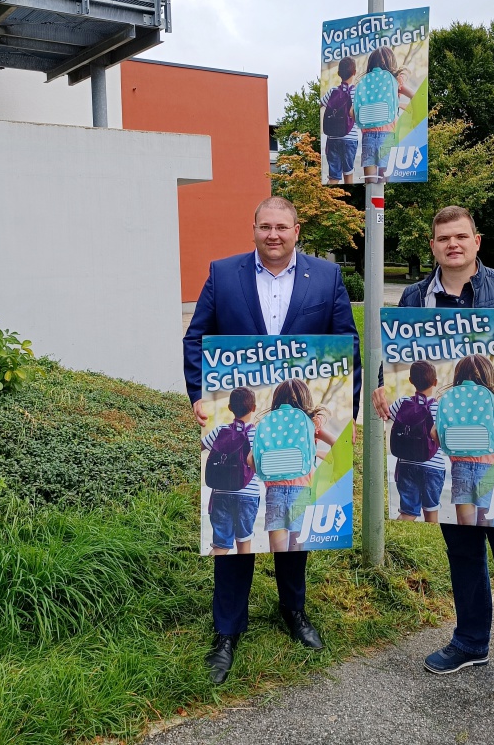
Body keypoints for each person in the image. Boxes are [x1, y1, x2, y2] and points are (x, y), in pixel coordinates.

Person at [371, 205, 494, 712]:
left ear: (476, 241)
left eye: (460, 237)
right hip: (450, 459)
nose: (452, 245)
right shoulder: (415, 297)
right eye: (442, 239)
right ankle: (471, 643)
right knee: (462, 553)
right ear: (432, 246)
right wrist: (381, 388)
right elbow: (395, 359)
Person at [184, 195, 362, 685]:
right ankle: (227, 631)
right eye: (265, 227)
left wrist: (346, 404)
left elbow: (346, 345)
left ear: (297, 230)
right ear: (254, 228)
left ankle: (294, 612)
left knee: (292, 528)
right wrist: (200, 395)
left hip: (292, 439)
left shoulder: (326, 278)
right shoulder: (224, 274)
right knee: (234, 535)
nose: (273, 235)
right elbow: (197, 338)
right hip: (244, 436)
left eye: (282, 227)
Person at [439, 355, 494, 527]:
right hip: (491, 468)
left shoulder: (452, 400)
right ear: (489, 375)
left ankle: (471, 552)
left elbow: (436, 433)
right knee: (486, 521)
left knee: (465, 524)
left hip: (460, 467)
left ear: (458, 376)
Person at [252, 379, 336, 552]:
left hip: (274, 492)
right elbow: (339, 445)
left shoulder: (268, 425)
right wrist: (316, 454)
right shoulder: (311, 423)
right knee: (296, 550)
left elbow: (250, 461)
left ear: (276, 400)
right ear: (306, 399)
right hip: (302, 492)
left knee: (278, 551)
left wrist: (269, 473)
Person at [201, 386, 260, 556]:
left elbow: (200, 447)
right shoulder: (257, 434)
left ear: (230, 408)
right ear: (253, 408)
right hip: (248, 495)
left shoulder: (220, 431)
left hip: (221, 494)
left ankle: (206, 576)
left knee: (221, 545)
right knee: (244, 545)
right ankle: (241, 580)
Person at [387, 360, 444, 523]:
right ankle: (431, 544)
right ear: (435, 382)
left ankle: (394, 539)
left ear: (411, 381)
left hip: (406, 465)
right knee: (431, 512)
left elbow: (386, 416)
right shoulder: (439, 408)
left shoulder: (401, 402)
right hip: (433, 466)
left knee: (408, 512)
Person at [354, 45, 415, 184]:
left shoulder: (364, 82)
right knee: (384, 178)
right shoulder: (395, 80)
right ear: (390, 62)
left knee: (370, 181)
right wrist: (401, 106)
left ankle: (371, 202)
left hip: (367, 136)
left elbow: (353, 111)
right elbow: (415, 95)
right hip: (388, 136)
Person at [321, 56, 359, 185]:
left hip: (332, 138)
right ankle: (348, 202)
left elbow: (320, 104)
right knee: (348, 173)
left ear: (338, 73)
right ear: (355, 72)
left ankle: (330, 201)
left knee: (334, 176)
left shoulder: (332, 91)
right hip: (350, 138)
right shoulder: (357, 93)